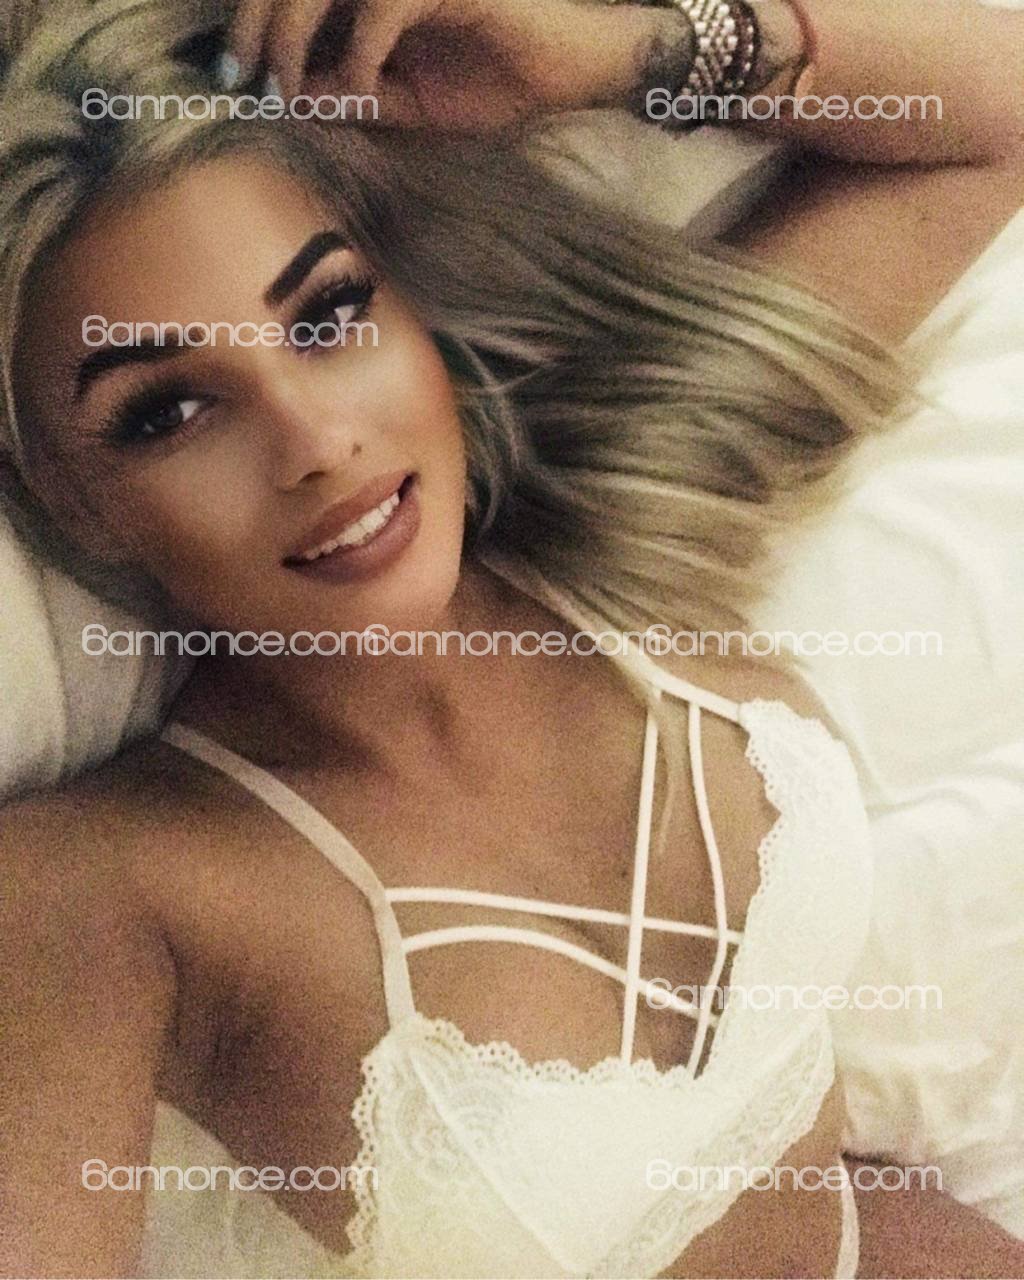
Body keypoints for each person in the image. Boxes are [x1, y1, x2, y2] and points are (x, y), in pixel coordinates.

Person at [1, 0, 1022, 1275]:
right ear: (70, 495)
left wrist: (620, 48)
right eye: (168, 410)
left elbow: (991, 120)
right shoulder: (99, 895)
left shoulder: (628, 521)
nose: (317, 441)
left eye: (325, 315)